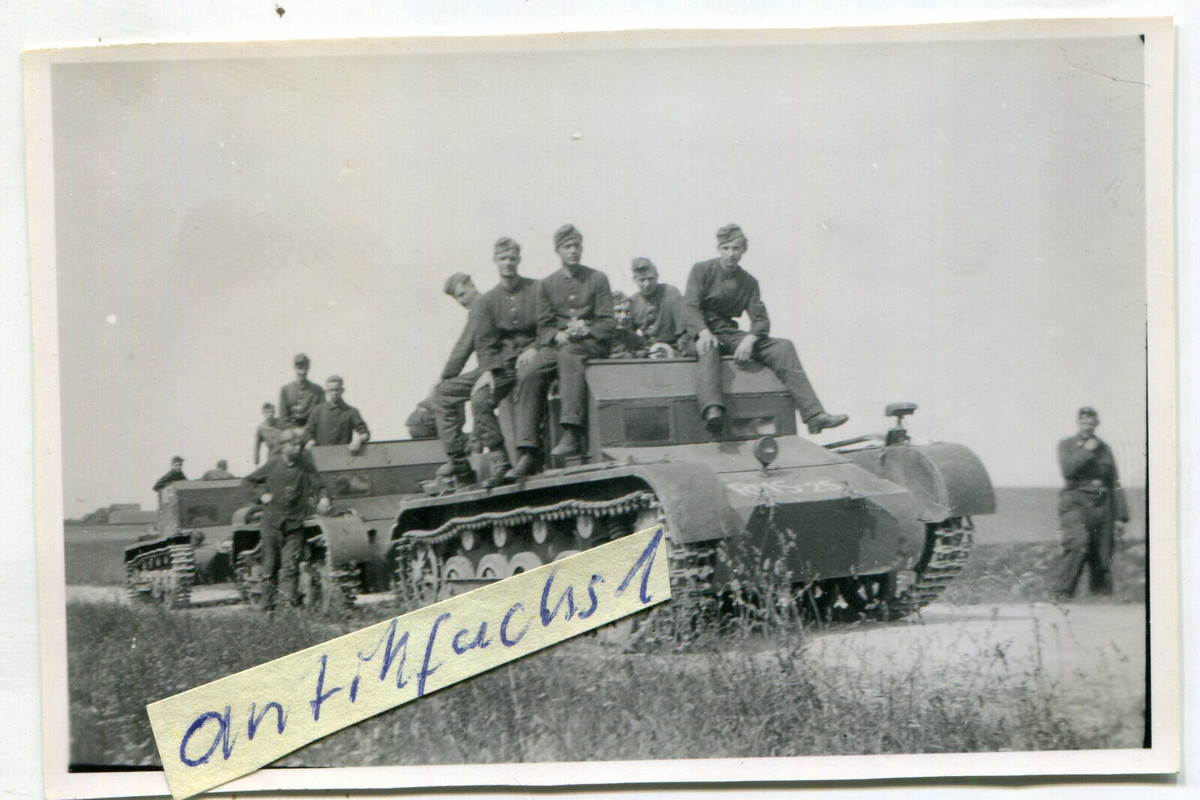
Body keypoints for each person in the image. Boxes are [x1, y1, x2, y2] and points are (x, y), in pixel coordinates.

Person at [687, 224, 848, 435]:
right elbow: (690, 305)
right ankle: (712, 410)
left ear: (743, 250)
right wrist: (702, 331)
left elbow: (760, 319)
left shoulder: (749, 282)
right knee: (708, 348)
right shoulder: (701, 270)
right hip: (701, 332)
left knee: (783, 347)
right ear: (718, 249)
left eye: (736, 248)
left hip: (729, 333)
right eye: (725, 248)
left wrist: (751, 338)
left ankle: (814, 415)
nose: (731, 254)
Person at [511, 224, 614, 476]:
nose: (573, 251)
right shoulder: (546, 285)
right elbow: (543, 327)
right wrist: (558, 334)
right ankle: (528, 450)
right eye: (568, 246)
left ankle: (571, 432)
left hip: (589, 345)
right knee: (530, 371)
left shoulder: (597, 279)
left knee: (570, 354)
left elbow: (607, 322)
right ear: (558, 250)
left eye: (577, 245)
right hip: (558, 345)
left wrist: (585, 330)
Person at [469, 237, 539, 486]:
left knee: (530, 380)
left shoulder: (536, 289)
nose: (508, 263)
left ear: (519, 260)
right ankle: (500, 460)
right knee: (479, 400)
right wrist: (489, 371)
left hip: (534, 357)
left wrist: (534, 347)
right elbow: (485, 342)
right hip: (506, 364)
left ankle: (528, 454)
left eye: (512, 258)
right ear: (495, 262)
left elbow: (547, 325)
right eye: (503, 259)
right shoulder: (487, 301)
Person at [241, 429, 331, 612]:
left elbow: (320, 485)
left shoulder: (306, 466)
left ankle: (288, 608)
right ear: (283, 447)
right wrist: (262, 495)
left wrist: (324, 498)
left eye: (299, 445)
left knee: (290, 566)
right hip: (271, 525)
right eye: (294, 445)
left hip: (295, 525)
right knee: (270, 567)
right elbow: (248, 481)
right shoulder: (273, 464)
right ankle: (268, 609)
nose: (298, 448)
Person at [1053, 407, 1130, 601]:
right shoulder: (1067, 445)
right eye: (1083, 422)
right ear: (1078, 422)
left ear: (1096, 424)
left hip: (1103, 503)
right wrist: (1087, 450)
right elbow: (1068, 470)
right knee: (1078, 542)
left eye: (1091, 422)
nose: (1087, 426)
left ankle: (1101, 599)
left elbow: (1114, 481)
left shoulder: (1105, 448)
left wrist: (1121, 517)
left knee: (1103, 552)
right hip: (1075, 500)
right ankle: (1063, 593)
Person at [431, 272, 482, 483]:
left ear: (471, 284)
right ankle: (468, 447)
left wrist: (443, 378)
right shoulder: (485, 305)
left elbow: (463, 347)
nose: (462, 301)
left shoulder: (480, 307)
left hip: (494, 366)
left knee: (442, 394)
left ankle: (459, 462)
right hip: (493, 365)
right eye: (458, 298)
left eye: (462, 293)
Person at [629, 256, 704, 359]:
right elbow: (629, 334)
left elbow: (682, 330)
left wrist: (677, 350)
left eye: (650, 279)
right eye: (642, 280)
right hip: (647, 351)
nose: (646, 284)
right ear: (634, 280)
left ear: (657, 276)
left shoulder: (671, 293)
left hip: (674, 347)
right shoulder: (633, 301)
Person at [304, 375, 370, 454]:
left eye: (337, 390)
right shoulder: (317, 411)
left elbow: (364, 433)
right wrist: (310, 441)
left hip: (343, 456)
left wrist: (358, 440)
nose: (334, 393)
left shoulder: (351, 411)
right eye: (331, 390)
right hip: (321, 455)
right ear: (327, 391)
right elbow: (309, 431)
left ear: (342, 390)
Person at [279, 353, 326, 428]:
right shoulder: (285, 390)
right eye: (299, 366)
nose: (302, 370)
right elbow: (283, 419)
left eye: (304, 365)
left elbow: (322, 416)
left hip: (311, 431)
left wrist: (307, 430)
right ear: (294, 367)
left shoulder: (318, 390)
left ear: (308, 367)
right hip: (291, 431)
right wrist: (295, 430)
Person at [608, 290, 647, 358]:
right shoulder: (598, 336)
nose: (624, 316)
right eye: (618, 311)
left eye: (627, 312)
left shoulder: (632, 337)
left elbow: (645, 349)